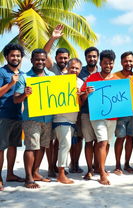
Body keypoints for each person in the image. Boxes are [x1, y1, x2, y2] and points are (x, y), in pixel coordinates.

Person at [14, 49, 53, 189]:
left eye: (43, 59)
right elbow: (16, 100)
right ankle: (28, 178)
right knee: (31, 147)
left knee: (42, 146)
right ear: (31, 60)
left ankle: (35, 172)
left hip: (48, 118)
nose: (40, 62)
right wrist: (24, 94)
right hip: (31, 118)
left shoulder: (52, 76)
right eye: (37, 59)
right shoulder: (25, 77)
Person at [81, 50, 118, 185]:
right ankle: (102, 172)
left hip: (113, 117)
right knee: (102, 141)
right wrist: (86, 92)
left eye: (110, 63)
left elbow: (123, 99)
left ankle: (99, 167)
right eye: (105, 63)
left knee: (106, 143)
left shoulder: (117, 80)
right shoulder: (92, 78)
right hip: (96, 116)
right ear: (100, 63)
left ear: (114, 63)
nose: (108, 65)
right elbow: (83, 98)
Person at [43, 24, 71, 177]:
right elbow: (44, 53)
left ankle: (63, 166)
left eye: (65, 58)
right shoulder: (52, 68)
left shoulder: (72, 72)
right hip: (50, 111)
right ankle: (50, 167)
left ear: (69, 59)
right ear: (56, 59)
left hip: (66, 113)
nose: (63, 60)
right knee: (50, 142)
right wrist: (53, 38)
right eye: (60, 58)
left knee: (64, 142)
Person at [53, 58, 84, 184]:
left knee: (64, 146)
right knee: (65, 145)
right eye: (72, 67)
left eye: (77, 68)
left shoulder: (81, 83)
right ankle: (61, 174)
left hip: (73, 119)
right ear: (68, 67)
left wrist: (79, 96)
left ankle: (59, 171)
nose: (74, 70)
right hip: (60, 118)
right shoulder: (59, 79)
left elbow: (80, 105)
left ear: (80, 70)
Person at [0, 44, 25, 191]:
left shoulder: (22, 74)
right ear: (7, 57)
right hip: (2, 115)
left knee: (13, 146)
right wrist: (10, 83)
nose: (15, 58)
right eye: (12, 55)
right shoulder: (2, 72)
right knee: (0, 148)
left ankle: (10, 174)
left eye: (18, 55)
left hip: (17, 115)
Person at [114, 51, 133, 175]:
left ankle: (127, 164)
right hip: (120, 112)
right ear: (121, 62)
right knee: (120, 138)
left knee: (130, 138)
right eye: (125, 61)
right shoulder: (115, 76)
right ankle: (118, 165)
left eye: (130, 61)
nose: (128, 63)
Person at [79, 47, 100, 180]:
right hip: (85, 111)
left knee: (101, 142)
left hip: (101, 112)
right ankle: (89, 169)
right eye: (89, 56)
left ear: (97, 57)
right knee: (88, 141)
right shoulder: (80, 73)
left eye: (94, 56)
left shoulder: (103, 71)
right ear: (86, 58)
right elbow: (77, 93)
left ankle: (98, 166)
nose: (92, 58)